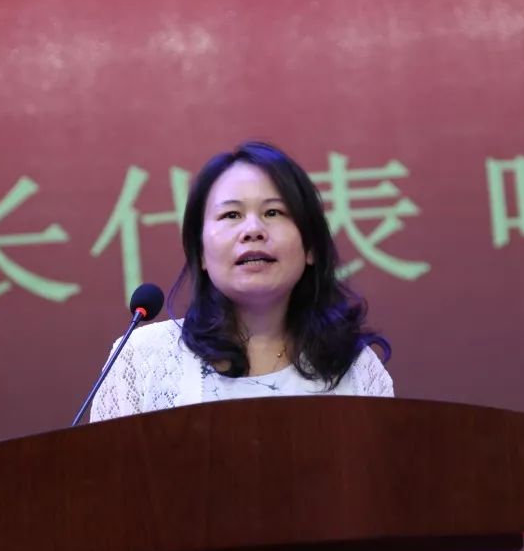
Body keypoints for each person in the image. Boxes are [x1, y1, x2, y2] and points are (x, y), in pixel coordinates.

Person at [90, 141, 393, 422]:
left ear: (310, 245)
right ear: (201, 253)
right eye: (232, 215)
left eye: (273, 212)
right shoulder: (144, 359)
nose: (253, 230)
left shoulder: (355, 368)